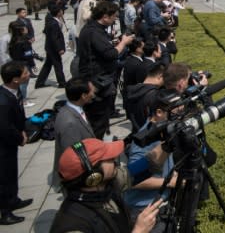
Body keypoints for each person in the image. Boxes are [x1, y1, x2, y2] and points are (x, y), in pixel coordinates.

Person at [50, 138, 161, 233]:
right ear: (94, 175)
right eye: (109, 158)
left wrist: (167, 146)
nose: (114, 159)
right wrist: (139, 230)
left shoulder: (104, 186)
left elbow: (142, 167)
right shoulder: (72, 225)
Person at [77, 1, 135, 139]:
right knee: (98, 121)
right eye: (113, 16)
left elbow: (102, 50)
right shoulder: (94, 31)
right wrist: (123, 43)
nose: (115, 19)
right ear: (104, 16)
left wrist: (110, 44)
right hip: (97, 80)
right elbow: (111, 55)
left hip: (96, 77)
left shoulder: (93, 29)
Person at [124, 89, 180, 230]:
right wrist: (171, 182)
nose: (179, 117)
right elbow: (133, 180)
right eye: (175, 113)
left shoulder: (164, 131)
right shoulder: (143, 141)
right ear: (159, 112)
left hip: (158, 204)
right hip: (144, 210)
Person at [0, 61, 32, 225]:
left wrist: (23, 130)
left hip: (12, 142)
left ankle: (13, 200)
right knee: (3, 178)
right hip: (3, 146)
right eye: (25, 73)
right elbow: (4, 128)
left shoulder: (14, 91)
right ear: (15, 79)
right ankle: (5, 212)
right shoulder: (3, 101)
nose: (28, 74)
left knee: (12, 172)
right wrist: (20, 138)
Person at [52, 78, 96, 189]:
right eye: (91, 90)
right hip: (79, 179)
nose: (94, 92)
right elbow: (73, 156)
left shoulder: (75, 110)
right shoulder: (69, 122)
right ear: (83, 96)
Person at [124, 62, 165, 133]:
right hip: (149, 136)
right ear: (160, 76)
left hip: (137, 134)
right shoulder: (154, 95)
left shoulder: (131, 90)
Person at [36, 4, 68, 89]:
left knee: (47, 65)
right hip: (53, 48)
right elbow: (54, 38)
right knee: (58, 65)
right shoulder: (53, 23)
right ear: (58, 13)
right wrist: (59, 49)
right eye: (61, 11)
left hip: (50, 47)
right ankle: (62, 83)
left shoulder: (54, 21)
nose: (62, 12)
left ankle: (39, 82)